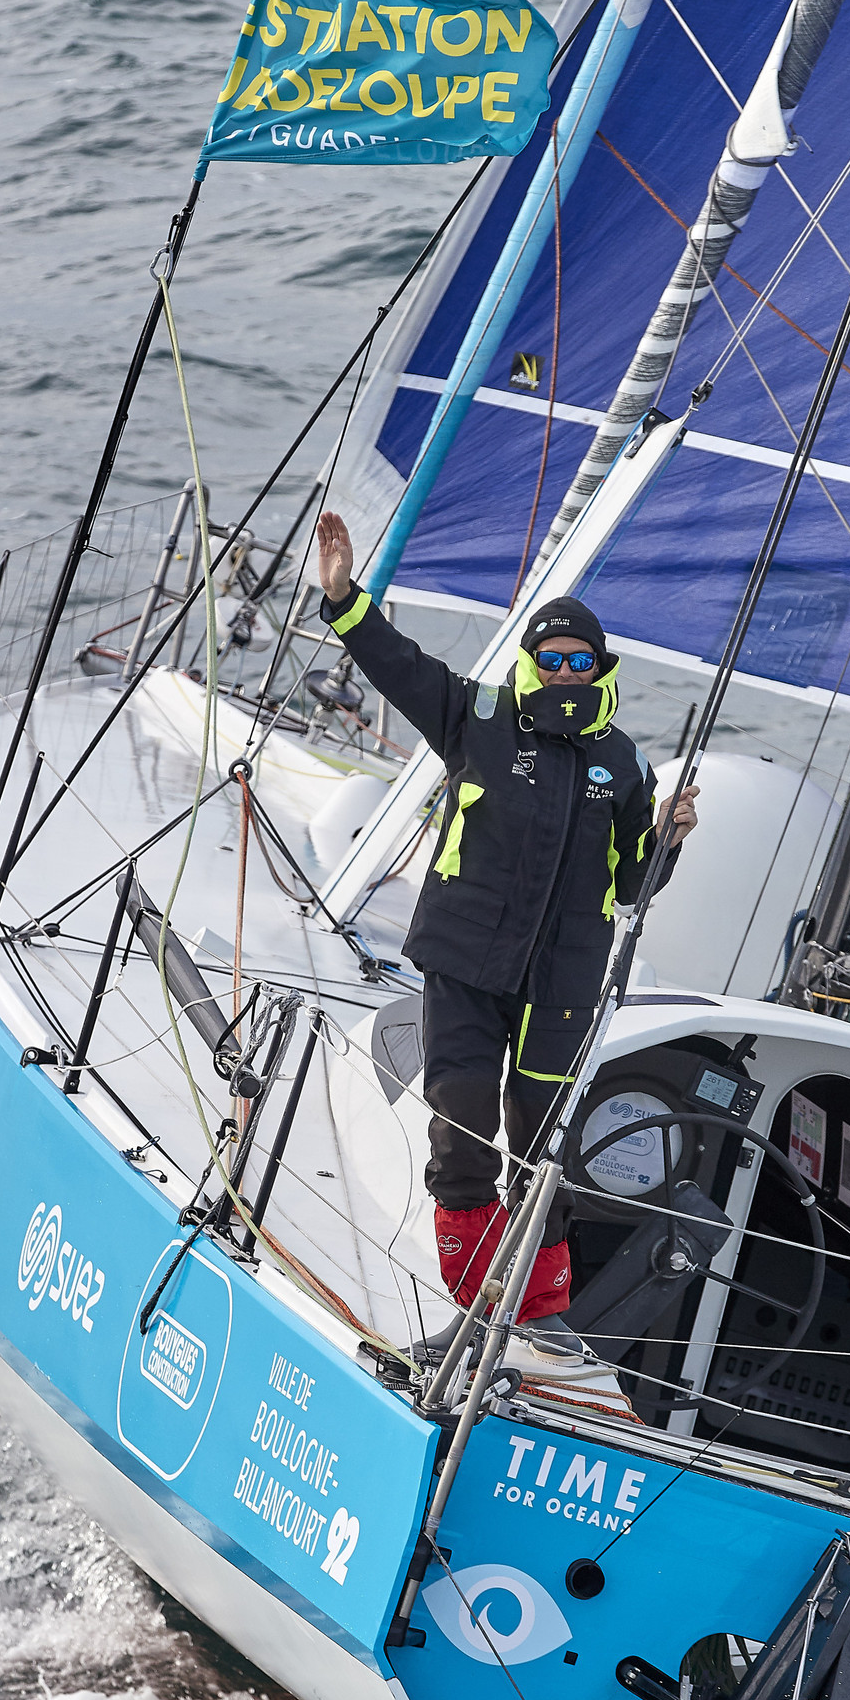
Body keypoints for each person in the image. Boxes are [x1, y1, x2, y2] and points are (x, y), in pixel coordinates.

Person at [315, 510, 697, 1361]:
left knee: (541, 1151)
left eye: (579, 662)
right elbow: (400, 668)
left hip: (560, 991)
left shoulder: (627, 765)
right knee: (459, 1129)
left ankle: (538, 1311)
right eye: (551, 659)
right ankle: (477, 1309)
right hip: (466, 969)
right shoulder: (479, 719)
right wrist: (344, 600)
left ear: (600, 670)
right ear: (530, 663)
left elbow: (633, 884)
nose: (564, 672)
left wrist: (666, 836)